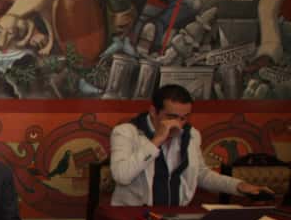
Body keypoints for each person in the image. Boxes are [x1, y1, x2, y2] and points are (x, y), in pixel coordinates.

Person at [110, 84, 273, 206]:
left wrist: (239, 186)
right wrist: (157, 140)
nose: (178, 124)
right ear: (153, 111)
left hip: (175, 214)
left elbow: (201, 175)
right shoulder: (126, 132)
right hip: (134, 215)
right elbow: (122, 176)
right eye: (171, 117)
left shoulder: (192, 134)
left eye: (184, 117)